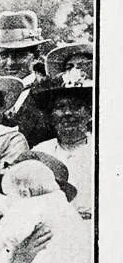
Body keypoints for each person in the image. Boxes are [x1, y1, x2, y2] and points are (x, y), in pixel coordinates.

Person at [0, 10, 54, 147]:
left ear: (35, 57)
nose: (10, 62)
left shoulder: (49, 92)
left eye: (19, 55)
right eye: (4, 55)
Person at [32, 76, 93, 222]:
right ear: (51, 117)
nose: (67, 113)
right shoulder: (41, 152)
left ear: (90, 113)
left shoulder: (102, 149)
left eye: (76, 106)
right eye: (60, 108)